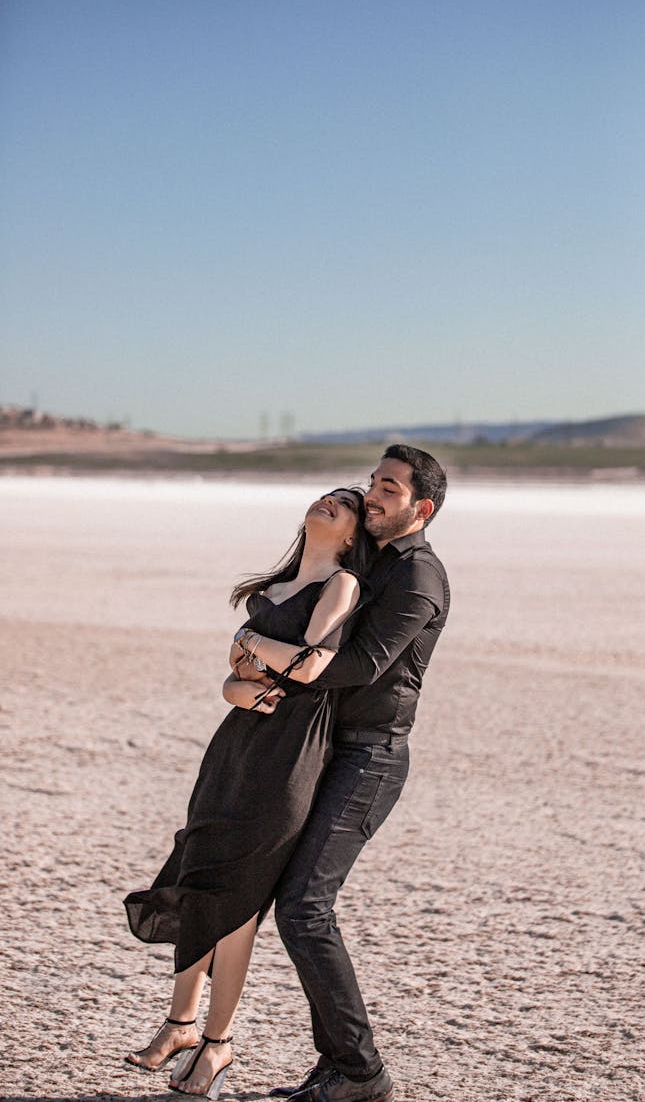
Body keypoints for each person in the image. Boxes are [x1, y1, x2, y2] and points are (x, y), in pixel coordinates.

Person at [123, 487, 375, 1099]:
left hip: (289, 754)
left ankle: (216, 1041)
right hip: (234, 749)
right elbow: (236, 680)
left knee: (241, 896)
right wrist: (246, 678)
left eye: (343, 504)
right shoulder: (272, 592)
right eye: (324, 497)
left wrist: (256, 651)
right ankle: (185, 1026)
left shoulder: (341, 585)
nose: (328, 503)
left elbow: (310, 666)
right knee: (201, 873)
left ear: (350, 535)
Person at [236, 444, 449, 1102]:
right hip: (325, 746)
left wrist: (263, 651)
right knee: (292, 902)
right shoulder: (370, 562)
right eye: (373, 481)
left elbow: (359, 666)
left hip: (371, 757)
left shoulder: (418, 577)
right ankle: (336, 1068)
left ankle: (363, 1073)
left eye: (390, 486)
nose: (374, 493)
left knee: (305, 906)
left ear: (423, 507)